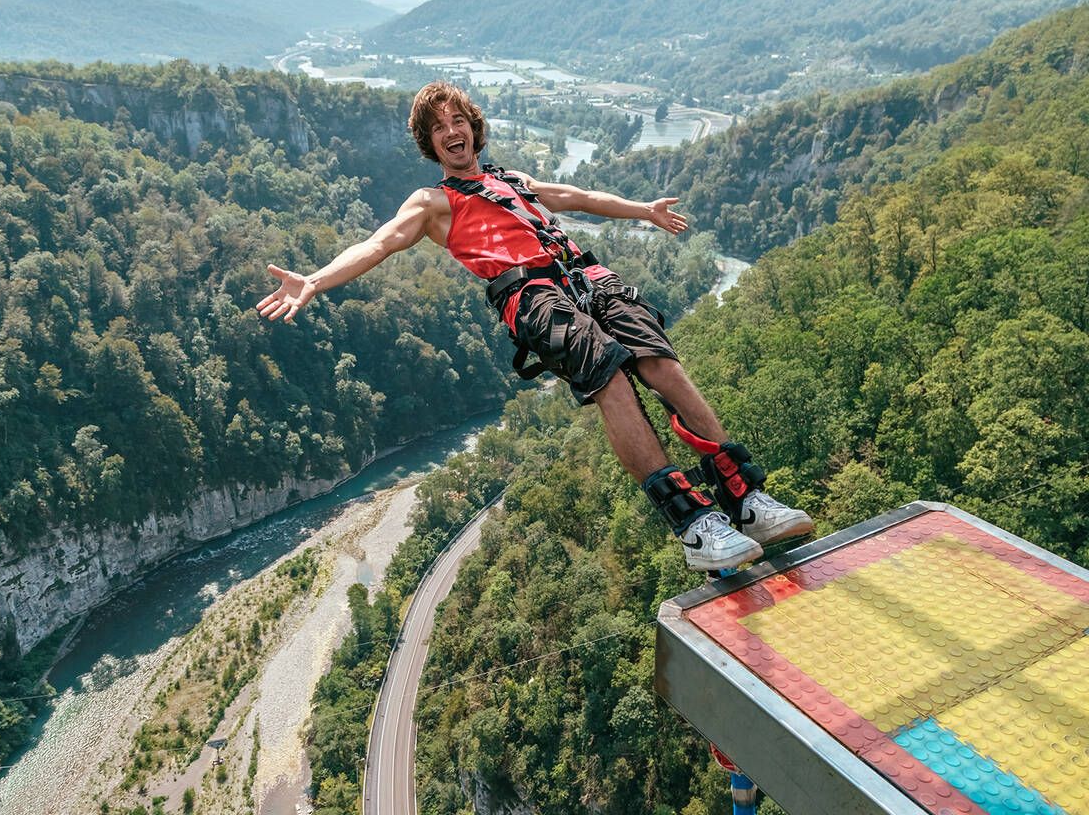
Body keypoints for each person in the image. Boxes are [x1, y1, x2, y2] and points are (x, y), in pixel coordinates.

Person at [259, 81, 812, 570]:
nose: (451, 131)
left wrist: (642, 209)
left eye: (457, 120)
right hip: (531, 295)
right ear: (429, 145)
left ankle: (744, 498)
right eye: (437, 128)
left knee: (661, 364)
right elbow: (379, 243)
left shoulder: (512, 179)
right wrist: (314, 280)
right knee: (610, 379)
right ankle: (695, 525)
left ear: (473, 129)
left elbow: (577, 198)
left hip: (583, 273)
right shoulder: (433, 202)